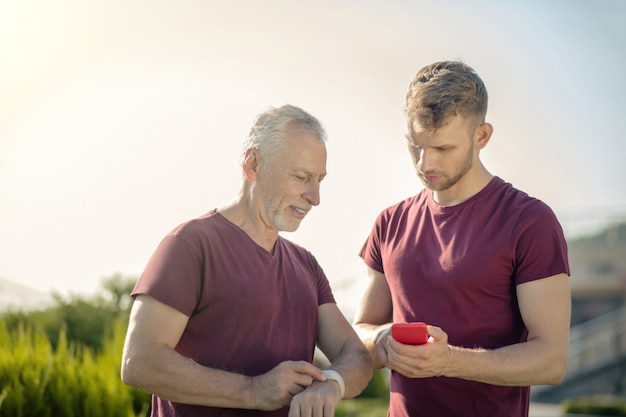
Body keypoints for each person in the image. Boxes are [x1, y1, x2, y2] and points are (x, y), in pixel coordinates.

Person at [121, 104, 373, 417]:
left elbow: (356, 357)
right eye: (301, 177)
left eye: (319, 179)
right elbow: (139, 362)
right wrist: (252, 390)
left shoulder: (306, 265)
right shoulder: (190, 245)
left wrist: (333, 382)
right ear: (253, 163)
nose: (315, 196)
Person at [353, 61, 571, 417]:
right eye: (415, 146)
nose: (424, 163)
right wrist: (380, 341)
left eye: (443, 148)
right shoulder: (389, 223)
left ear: (482, 136)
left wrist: (449, 360)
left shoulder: (530, 222)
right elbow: (360, 332)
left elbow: (551, 360)